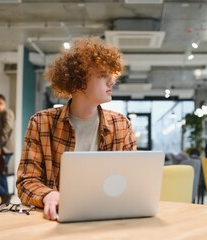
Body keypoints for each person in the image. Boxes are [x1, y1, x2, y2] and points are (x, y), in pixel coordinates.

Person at [16, 36, 137, 221]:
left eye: (111, 75)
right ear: (78, 81)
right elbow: (26, 181)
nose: (112, 81)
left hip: (108, 218)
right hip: (58, 219)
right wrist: (48, 195)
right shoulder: (41, 123)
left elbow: (131, 180)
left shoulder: (122, 125)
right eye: (102, 75)